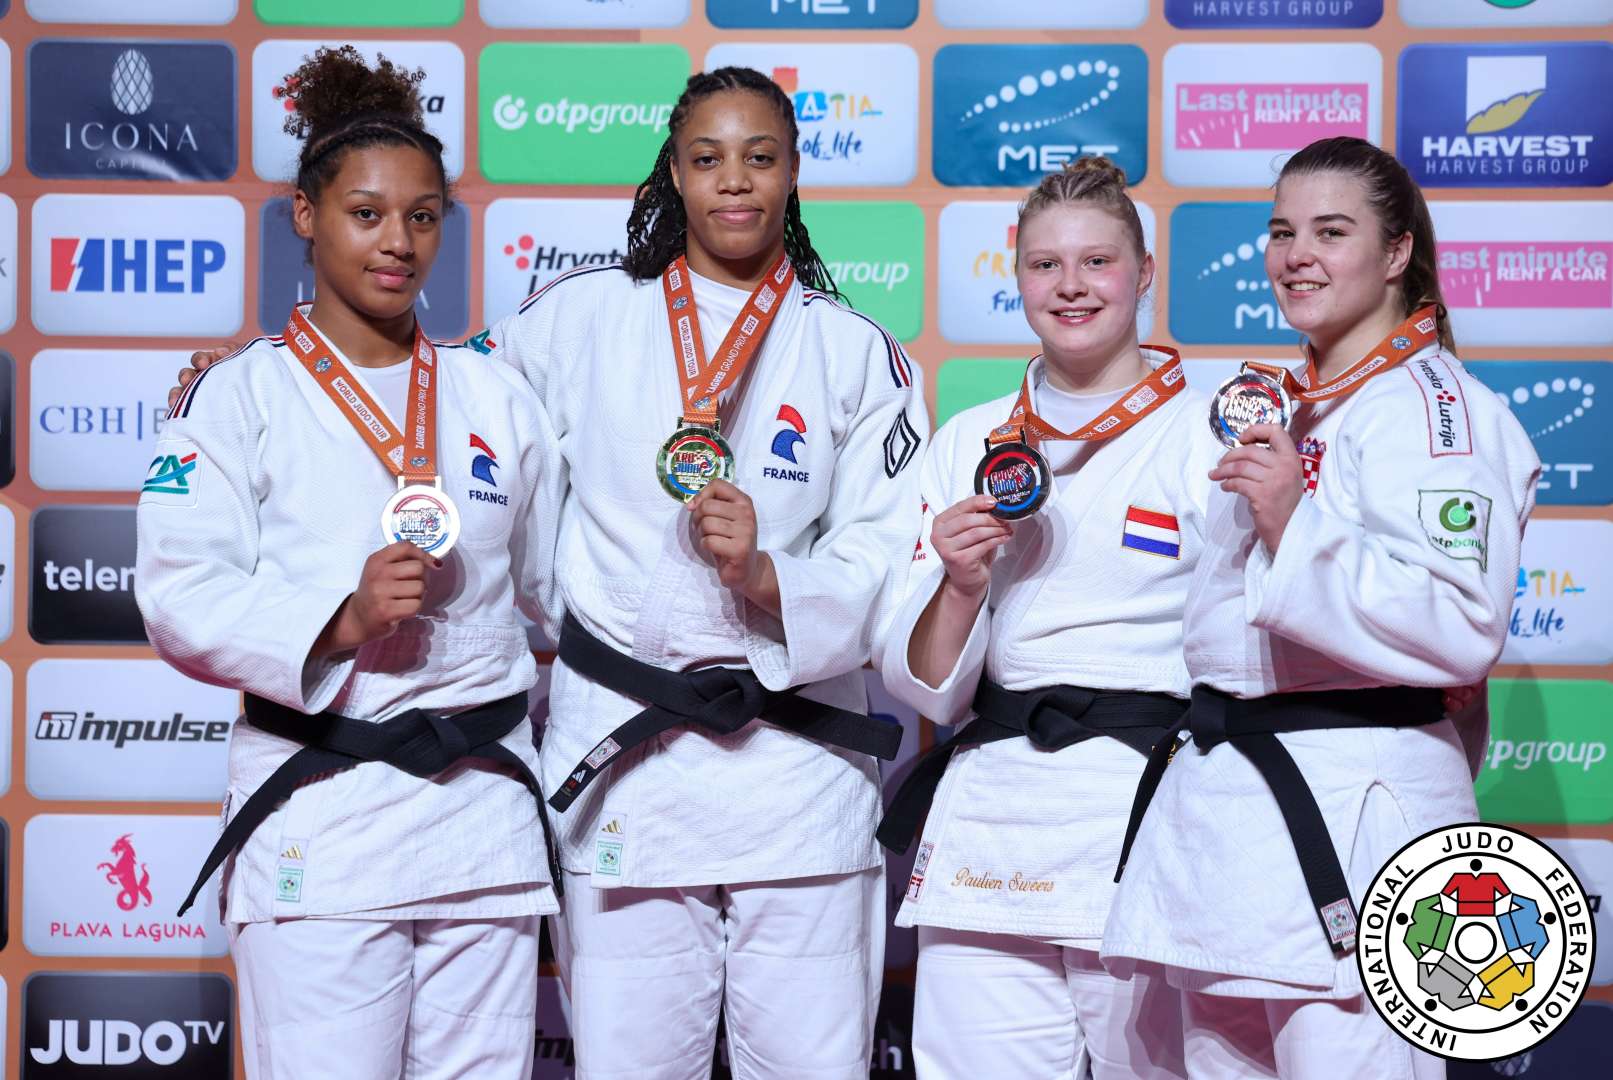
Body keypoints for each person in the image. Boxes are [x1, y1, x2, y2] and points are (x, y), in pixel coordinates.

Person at [180, 66, 928, 1079]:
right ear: (671, 172)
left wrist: (766, 579)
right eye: (706, 158)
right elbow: (425, 400)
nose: (734, 183)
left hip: (795, 772)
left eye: (759, 158)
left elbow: (887, 553)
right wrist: (250, 378)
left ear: (795, 174)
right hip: (628, 764)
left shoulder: (858, 354)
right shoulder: (575, 319)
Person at [138, 46, 563, 1080]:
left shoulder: (496, 398)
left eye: (422, 218)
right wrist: (337, 619)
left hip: (480, 821)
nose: (397, 243)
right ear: (305, 217)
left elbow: (552, 596)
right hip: (321, 819)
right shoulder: (233, 398)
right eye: (366, 214)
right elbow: (177, 594)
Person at [1102, 136, 1540, 1080]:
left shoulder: (1434, 411)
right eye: (1280, 231)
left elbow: (1462, 621)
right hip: (1230, 818)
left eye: (1330, 232)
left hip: (1352, 817)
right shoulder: (1288, 405)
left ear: (1395, 255)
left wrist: (1296, 526)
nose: (1294, 254)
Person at [873, 157, 1198, 1079]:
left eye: (1097, 261)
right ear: (1014, 277)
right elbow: (926, 692)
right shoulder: (969, 440)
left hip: (1156, 810)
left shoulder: (1213, 430)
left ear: (1143, 273)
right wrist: (962, 583)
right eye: (1044, 265)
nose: (1070, 286)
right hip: (995, 817)